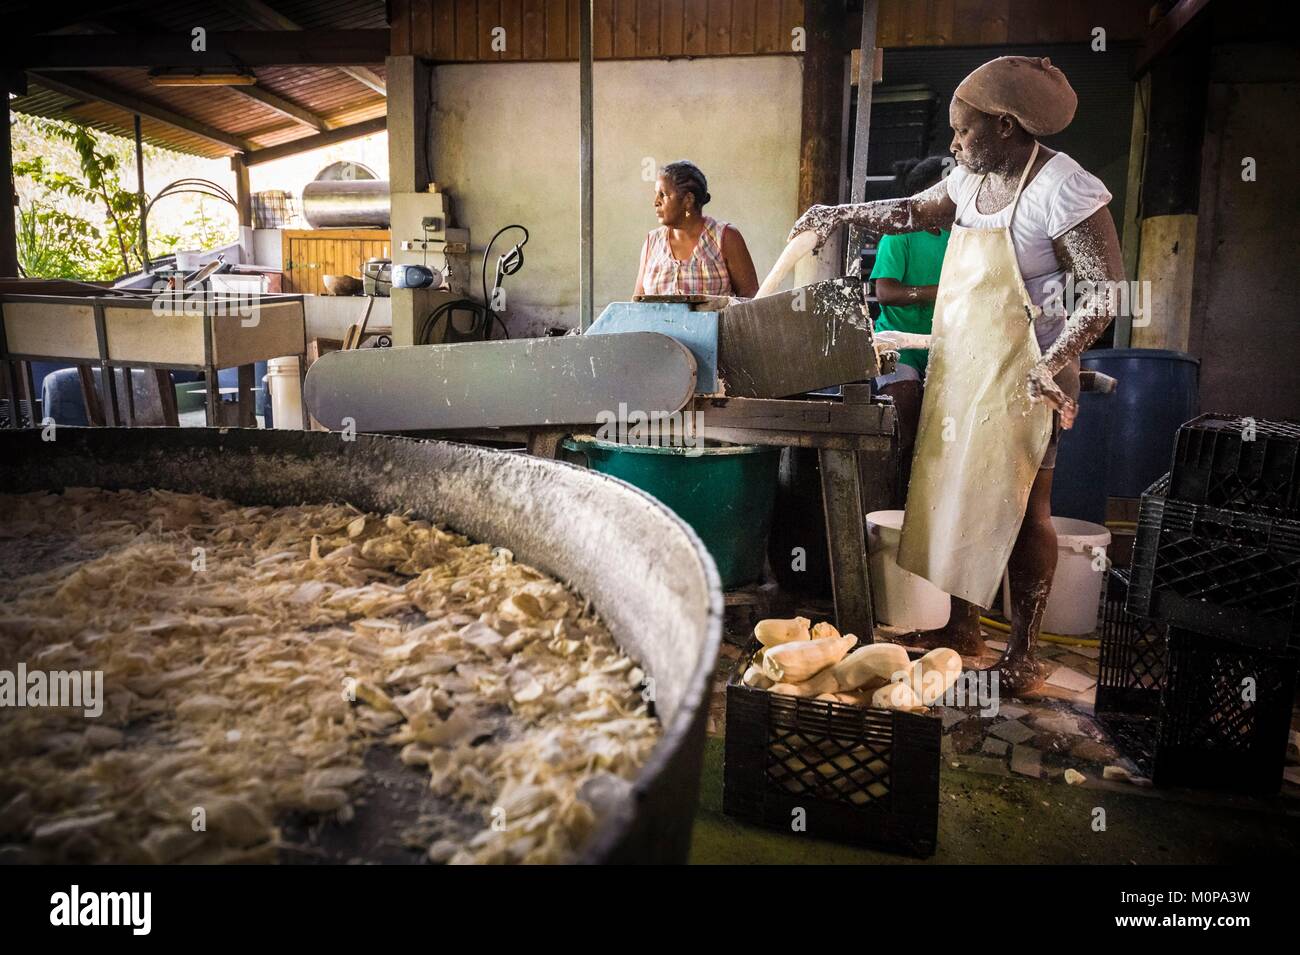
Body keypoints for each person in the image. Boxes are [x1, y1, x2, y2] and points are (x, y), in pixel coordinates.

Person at [787, 56, 1125, 694]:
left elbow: (1104, 294)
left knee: (1026, 511)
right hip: (967, 363)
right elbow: (914, 211)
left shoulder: (1063, 188)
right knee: (961, 495)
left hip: (1034, 373)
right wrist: (839, 213)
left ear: (1004, 127)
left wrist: (1056, 361)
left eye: (964, 130)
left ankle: (1022, 651)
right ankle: (962, 629)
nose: (953, 142)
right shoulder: (971, 178)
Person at [870, 155, 951, 494]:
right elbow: (885, 292)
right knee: (904, 421)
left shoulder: (957, 235)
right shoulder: (898, 235)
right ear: (928, 195)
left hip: (944, 343)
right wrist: (942, 291)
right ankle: (893, 505)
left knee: (941, 438)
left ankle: (928, 507)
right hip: (898, 345)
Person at [634, 161, 759, 299]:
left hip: (716, 321)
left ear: (688, 199)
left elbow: (750, 300)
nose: (655, 202)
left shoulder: (725, 238)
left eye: (663, 195)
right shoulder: (652, 241)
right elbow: (637, 303)